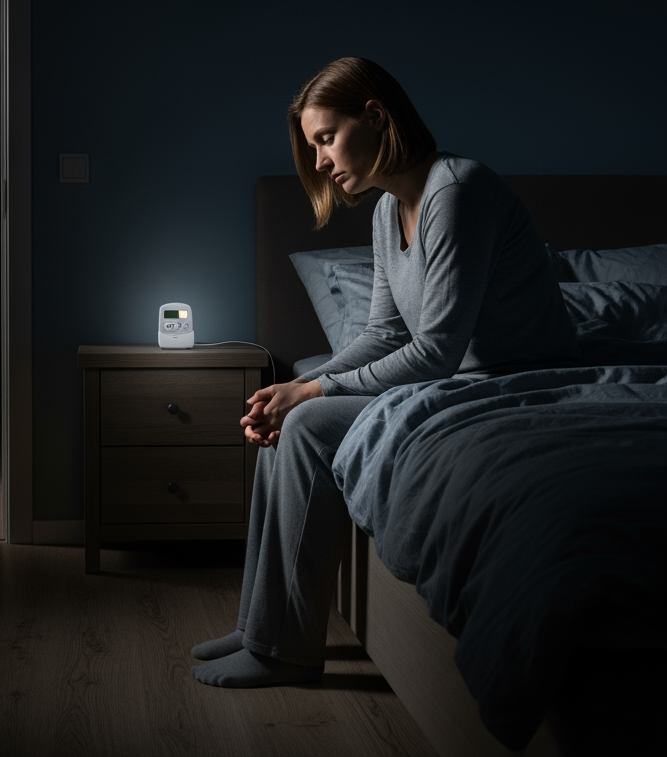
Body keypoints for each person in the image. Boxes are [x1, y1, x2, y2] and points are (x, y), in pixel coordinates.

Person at [191, 56, 579, 688]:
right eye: (313, 147)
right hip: (457, 382)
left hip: (509, 382)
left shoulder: (457, 191)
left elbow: (436, 350)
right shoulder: (385, 211)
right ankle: (260, 623)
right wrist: (294, 388)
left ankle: (283, 652)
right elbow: (384, 335)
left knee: (309, 424)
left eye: (326, 138)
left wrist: (315, 390)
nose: (320, 161)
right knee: (290, 420)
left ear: (374, 116)